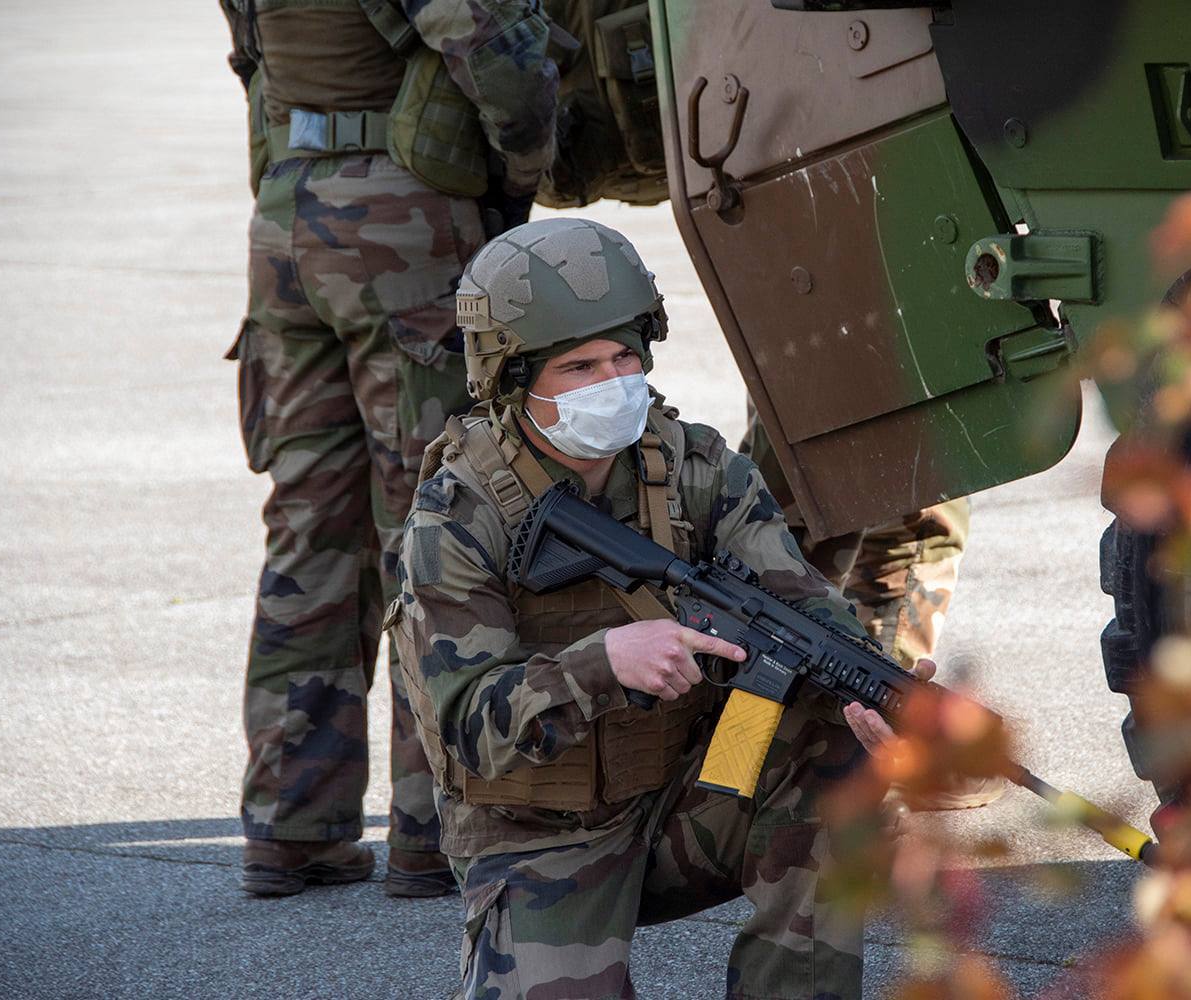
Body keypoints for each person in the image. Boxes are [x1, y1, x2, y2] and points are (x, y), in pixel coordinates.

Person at [388, 217, 925, 998]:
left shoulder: (698, 466)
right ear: (511, 377)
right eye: (578, 366)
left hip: (697, 795)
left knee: (833, 755)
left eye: (624, 357)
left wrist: (878, 689)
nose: (611, 382)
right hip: (542, 835)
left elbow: (805, 612)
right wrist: (600, 666)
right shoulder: (460, 518)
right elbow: (469, 727)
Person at [217, 0, 559, 897]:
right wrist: (511, 193)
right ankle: (432, 828)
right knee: (432, 525)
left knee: (307, 529)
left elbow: (248, 59)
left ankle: (292, 827)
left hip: (285, 223)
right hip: (402, 228)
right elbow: (503, 61)